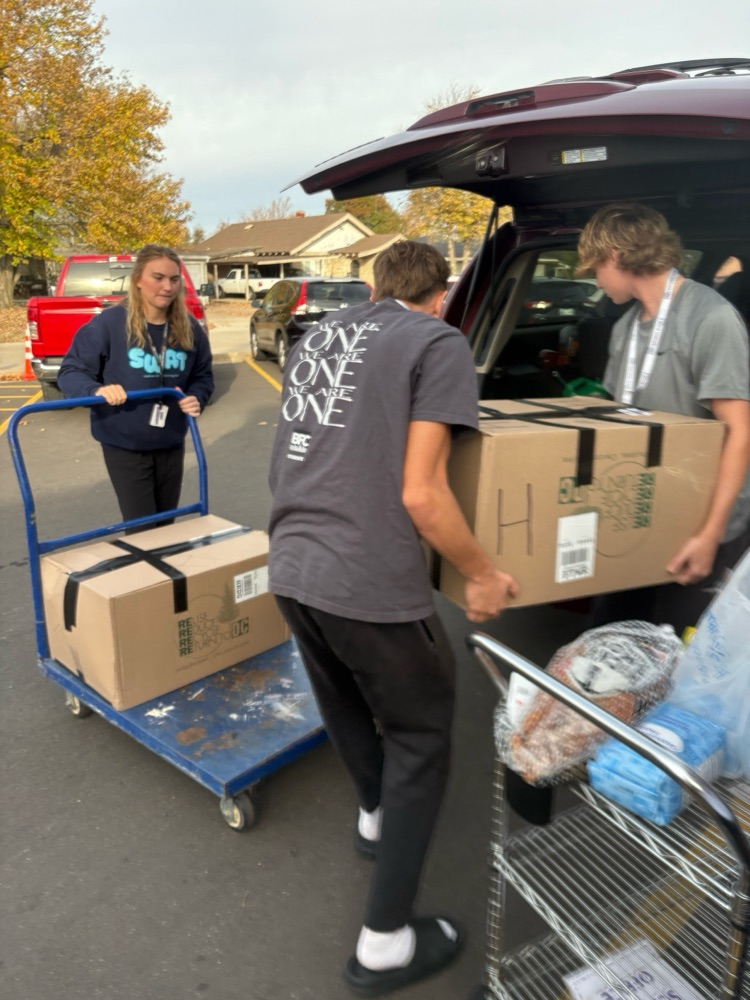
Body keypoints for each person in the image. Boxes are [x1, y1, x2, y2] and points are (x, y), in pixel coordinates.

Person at [267, 240, 518, 996]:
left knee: (343, 697)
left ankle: (374, 816)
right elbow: (421, 494)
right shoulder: (436, 341)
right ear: (441, 295)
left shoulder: (322, 334)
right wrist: (482, 574)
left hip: (292, 560)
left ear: (377, 286)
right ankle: (384, 944)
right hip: (363, 575)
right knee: (419, 734)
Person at [576, 203, 750, 633]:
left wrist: (710, 535)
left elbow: (740, 433)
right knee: (612, 636)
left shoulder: (711, 319)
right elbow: (623, 423)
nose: (594, 280)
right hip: (647, 508)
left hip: (707, 521)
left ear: (615, 256)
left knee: (678, 653)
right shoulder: (625, 329)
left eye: (594, 267)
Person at [58, 244, 214, 532]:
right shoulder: (109, 324)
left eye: (174, 279)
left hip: (170, 441)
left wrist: (197, 397)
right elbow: (71, 372)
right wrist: (96, 391)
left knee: (167, 527)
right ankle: (143, 575)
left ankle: (164, 576)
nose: (167, 287)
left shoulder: (189, 327)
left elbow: (203, 375)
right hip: (125, 445)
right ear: (138, 280)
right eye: (158, 277)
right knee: (142, 530)